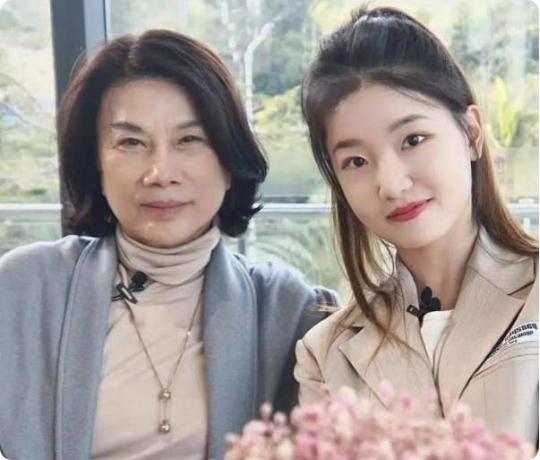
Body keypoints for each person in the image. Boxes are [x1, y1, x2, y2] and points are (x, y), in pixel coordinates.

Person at [0, 30, 335, 460]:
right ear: (95, 163)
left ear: (229, 162)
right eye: (131, 142)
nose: (161, 173)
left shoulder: (286, 309)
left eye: (189, 140)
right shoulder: (24, 289)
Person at [294, 5, 538, 446]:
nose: (391, 184)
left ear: (472, 133)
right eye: (356, 161)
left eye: (413, 139)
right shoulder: (325, 355)